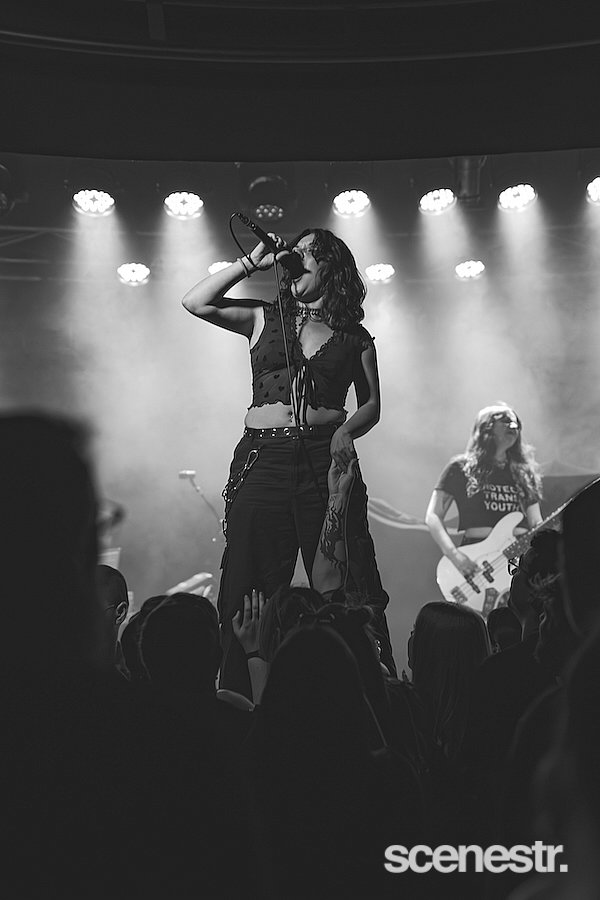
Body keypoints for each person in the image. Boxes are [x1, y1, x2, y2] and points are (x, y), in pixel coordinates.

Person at [182, 226, 396, 695]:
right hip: (264, 459)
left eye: (307, 254)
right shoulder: (263, 316)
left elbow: (372, 404)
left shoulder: (355, 338)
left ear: (331, 267)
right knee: (248, 588)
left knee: (343, 582)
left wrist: (345, 431)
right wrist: (250, 263)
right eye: (292, 253)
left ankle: (361, 696)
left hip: (324, 458)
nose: (294, 259)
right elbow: (195, 302)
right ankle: (242, 697)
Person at [425, 402, 543, 581]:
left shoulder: (523, 472)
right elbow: (433, 516)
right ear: (486, 427)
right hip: (477, 560)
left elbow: (536, 522)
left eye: (516, 423)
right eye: (505, 421)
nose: (513, 426)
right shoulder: (460, 468)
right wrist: (454, 556)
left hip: (518, 560)